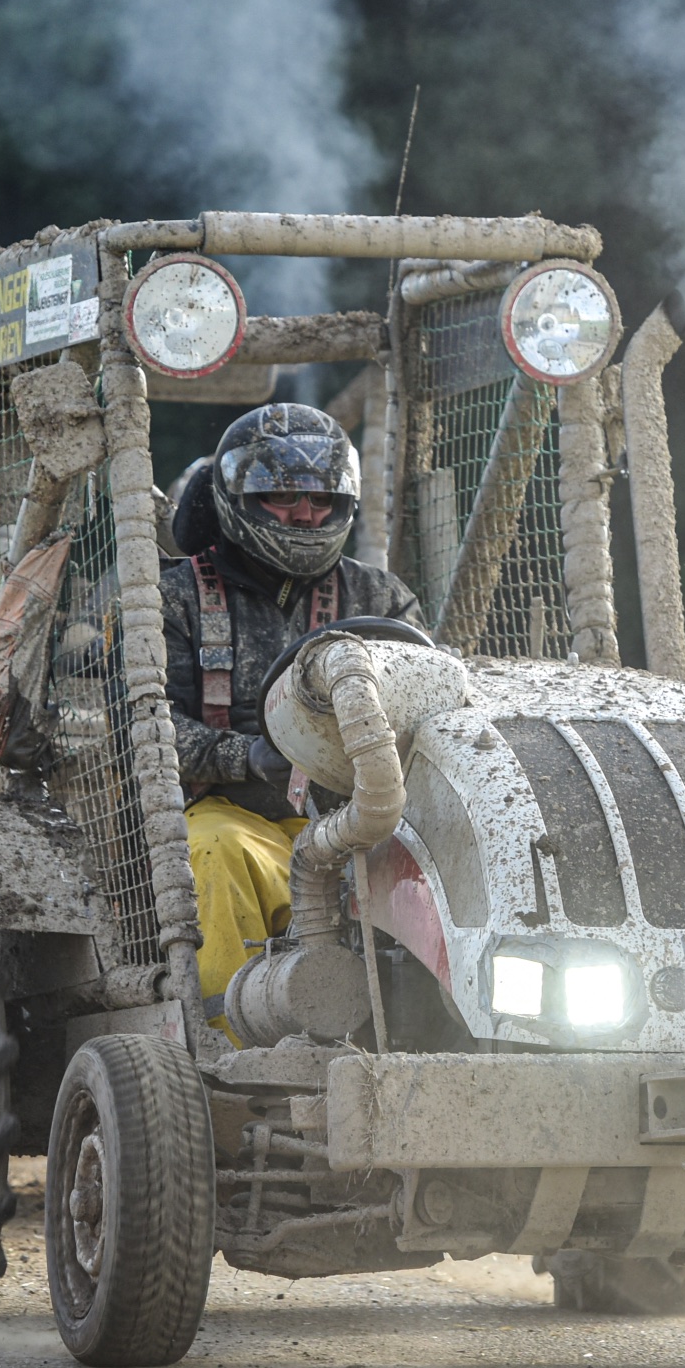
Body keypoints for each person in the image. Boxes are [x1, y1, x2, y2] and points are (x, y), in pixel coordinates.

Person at [160, 402, 423, 1039]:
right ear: (237, 498)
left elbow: (431, 710)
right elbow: (146, 730)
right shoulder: (174, 598)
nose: (306, 515)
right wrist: (247, 757)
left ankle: (426, 1047)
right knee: (215, 852)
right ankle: (226, 1053)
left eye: (323, 500)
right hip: (228, 816)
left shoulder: (381, 598)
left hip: (361, 823)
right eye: (283, 497)